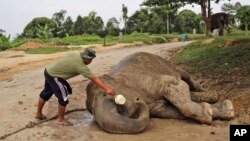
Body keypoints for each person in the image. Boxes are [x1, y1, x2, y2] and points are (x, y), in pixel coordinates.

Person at [35, 47, 115, 125]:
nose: (90, 61)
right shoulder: (80, 66)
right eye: (89, 59)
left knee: (46, 92)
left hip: (49, 70)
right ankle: (60, 120)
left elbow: (69, 54)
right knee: (63, 98)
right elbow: (94, 78)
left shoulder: (75, 53)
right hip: (55, 76)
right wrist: (107, 89)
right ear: (84, 56)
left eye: (92, 59)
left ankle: (38, 114)